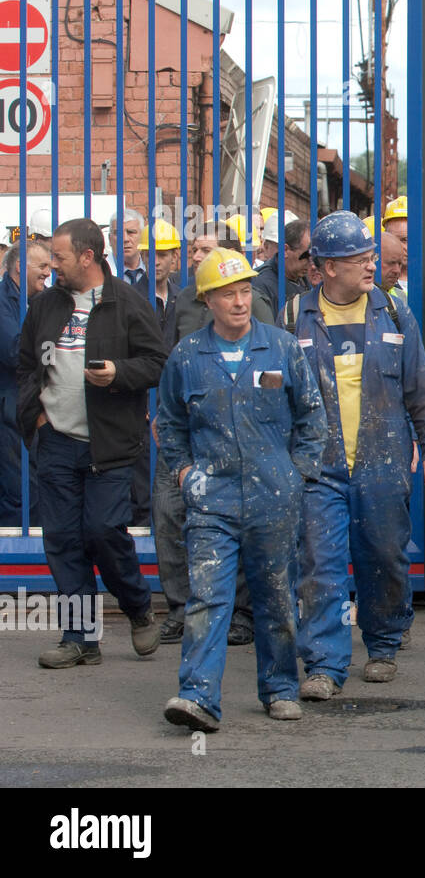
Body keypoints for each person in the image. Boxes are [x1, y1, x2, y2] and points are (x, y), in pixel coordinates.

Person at [156, 248, 326, 730]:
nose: (239, 302)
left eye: (245, 291)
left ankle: (279, 688)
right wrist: (187, 474)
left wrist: (298, 474)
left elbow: (313, 416)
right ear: (206, 300)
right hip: (213, 499)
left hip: (274, 496)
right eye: (228, 294)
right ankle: (198, 696)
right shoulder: (187, 357)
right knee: (208, 597)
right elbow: (169, 425)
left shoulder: (282, 348)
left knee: (275, 595)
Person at [289, 212, 425, 696]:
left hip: (382, 460)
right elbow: (280, 395)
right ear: (327, 267)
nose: (370, 266)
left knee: (383, 555)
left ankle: (383, 642)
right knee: (321, 562)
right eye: (360, 259)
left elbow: (419, 385)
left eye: (371, 257)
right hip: (320, 465)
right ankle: (324, 663)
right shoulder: (294, 316)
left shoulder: (395, 313)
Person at [17, 218, 167, 668]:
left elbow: (157, 361)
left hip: (109, 444)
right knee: (62, 539)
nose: (53, 266)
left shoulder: (127, 303)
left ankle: (138, 606)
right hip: (57, 441)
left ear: (87, 256)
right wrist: (38, 417)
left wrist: (119, 374)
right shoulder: (45, 305)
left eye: (59, 258)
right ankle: (80, 637)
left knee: (103, 532)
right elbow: (26, 362)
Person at [157, 222, 273, 647]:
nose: (195, 255)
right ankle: (178, 608)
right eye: (193, 248)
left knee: (236, 523)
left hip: (236, 433)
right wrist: (163, 416)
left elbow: (271, 370)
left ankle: (240, 613)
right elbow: (168, 358)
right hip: (186, 429)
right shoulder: (186, 301)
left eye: (204, 248)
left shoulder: (253, 304)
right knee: (169, 513)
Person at [1, 240, 50, 525]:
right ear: (21, 266)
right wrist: (50, 348)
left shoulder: (34, 300)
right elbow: (14, 350)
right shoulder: (3, 301)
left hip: (29, 409)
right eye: (42, 266)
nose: (49, 271)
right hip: (9, 412)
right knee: (19, 492)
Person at [252, 217, 312, 313]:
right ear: (285, 250)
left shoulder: (308, 279)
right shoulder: (261, 283)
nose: (311, 263)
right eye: (306, 256)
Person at [110, 208, 147, 301]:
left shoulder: (156, 271)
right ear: (110, 239)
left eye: (131, 232)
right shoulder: (100, 275)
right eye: (118, 233)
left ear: (143, 237)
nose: (125, 239)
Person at [379, 231, 407, 298]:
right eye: (391, 263)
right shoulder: (357, 296)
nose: (397, 271)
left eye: (400, 264)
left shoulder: (401, 297)